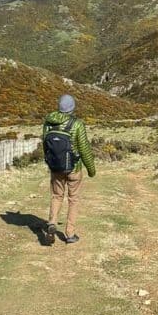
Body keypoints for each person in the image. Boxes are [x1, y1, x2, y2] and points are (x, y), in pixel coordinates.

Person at [42, 94, 96, 244]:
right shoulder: (77, 124)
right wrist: (91, 170)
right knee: (73, 200)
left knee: (56, 196)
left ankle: (52, 223)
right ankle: (70, 234)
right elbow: (84, 149)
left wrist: (49, 162)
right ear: (72, 108)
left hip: (56, 168)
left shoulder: (48, 122)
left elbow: (45, 145)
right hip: (74, 168)